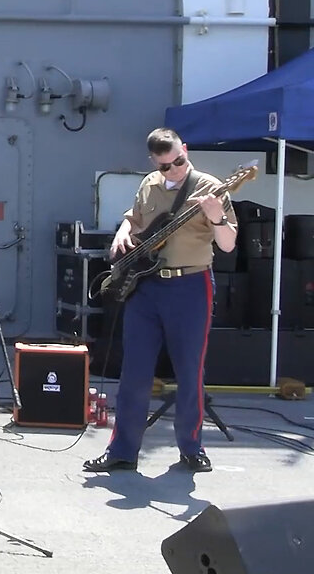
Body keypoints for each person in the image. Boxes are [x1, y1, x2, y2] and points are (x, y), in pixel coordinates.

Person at [84, 127, 236, 474]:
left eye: (179, 161)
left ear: (185, 149)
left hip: (191, 285)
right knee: (134, 371)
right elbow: (134, 219)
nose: (174, 170)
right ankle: (122, 450)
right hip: (147, 285)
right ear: (154, 162)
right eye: (165, 166)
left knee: (189, 371)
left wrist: (216, 216)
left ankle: (191, 447)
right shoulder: (149, 184)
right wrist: (123, 232)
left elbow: (228, 244)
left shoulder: (210, 187)